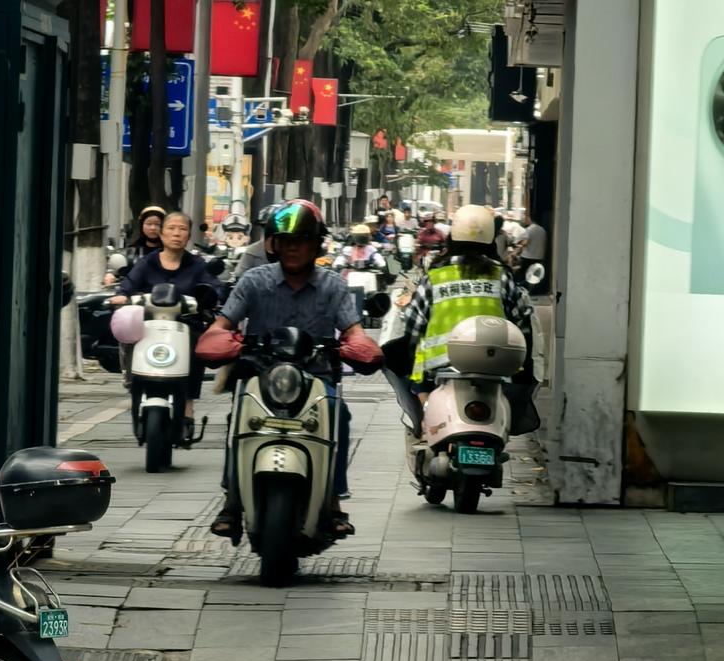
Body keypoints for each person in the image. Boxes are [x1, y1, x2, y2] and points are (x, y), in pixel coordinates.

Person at [206, 200, 373, 540]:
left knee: (338, 413)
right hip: (260, 375)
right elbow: (222, 324)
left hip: (316, 378)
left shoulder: (334, 286)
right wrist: (217, 340)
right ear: (274, 244)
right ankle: (232, 501)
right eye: (286, 240)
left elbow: (354, 332)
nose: (294, 247)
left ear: (317, 244)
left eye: (303, 240)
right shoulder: (253, 281)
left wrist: (362, 347)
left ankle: (333, 500)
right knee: (238, 414)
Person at [398, 204, 534, 394]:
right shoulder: (502, 276)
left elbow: (414, 326)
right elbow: (522, 324)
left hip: (442, 370)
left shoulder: (435, 277)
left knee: (417, 392)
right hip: (497, 368)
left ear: (452, 238)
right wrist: (524, 366)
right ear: (491, 241)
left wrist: (409, 355)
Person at [111, 210, 222, 436]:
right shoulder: (147, 263)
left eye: (182, 229)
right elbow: (128, 286)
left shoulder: (197, 265)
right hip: (150, 324)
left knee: (197, 343)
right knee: (131, 335)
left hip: (185, 324)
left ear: (188, 235)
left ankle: (188, 407)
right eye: (171, 228)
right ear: (161, 234)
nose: (176, 234)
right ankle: (133, 381)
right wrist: (121, 296)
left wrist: (213, 299)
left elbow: (216, 288)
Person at [104, 205, 164, 286]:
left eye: (157, 224)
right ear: (142, 225)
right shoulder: (132, 252)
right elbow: (121, 271)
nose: (153, 228)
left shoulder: (170, 252)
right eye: (149, 223)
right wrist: (112, 276)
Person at [511, 208, 549, 292]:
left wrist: (519, 246)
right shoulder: (543, 230)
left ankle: (521, 290)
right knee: (535, 276)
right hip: (539, 257)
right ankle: (533, 291)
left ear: (529, 218)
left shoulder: (529, 229)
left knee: (523, 275)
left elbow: (516, 241)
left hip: (528, 257)